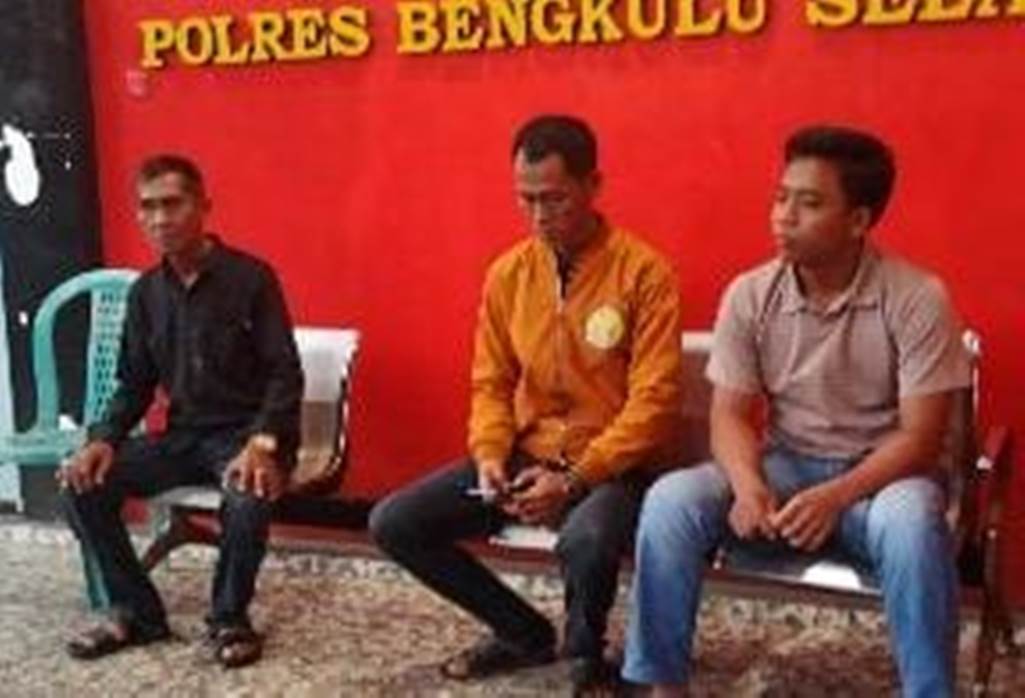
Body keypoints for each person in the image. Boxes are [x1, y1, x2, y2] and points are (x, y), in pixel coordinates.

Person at [622, 125, 970, 698]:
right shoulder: (751, 295)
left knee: (912, 522)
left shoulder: (916, 298)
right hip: (787, 468)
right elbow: (730, 415)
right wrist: (747, 485)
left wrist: (836, 497)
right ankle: (664, 687)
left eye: (809, 203)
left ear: (858, 220)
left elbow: (920, 438)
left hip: (882, 482)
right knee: (672, 499)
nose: (783, 216)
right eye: (781, 197)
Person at [370, 114, 684, 695]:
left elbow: (654, 403)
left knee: (586, 540)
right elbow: (491, 383)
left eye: (554, 199)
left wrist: (575, 477)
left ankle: (585, 656)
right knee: (396, 522)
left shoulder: (645, 273)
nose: (539, 215)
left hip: (613, 467)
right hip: (526, 454)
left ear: (593, 185)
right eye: (526, 199)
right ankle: (523, 634)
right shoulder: (508, 275)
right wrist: (490, 455)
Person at [58, 154, 303, 668]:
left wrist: (263, 443)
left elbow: (285, 375)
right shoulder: (146, 294)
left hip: (249, 438)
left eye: (172, 204)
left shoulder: (251, 279)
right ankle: (138, 614)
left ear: (204, 206)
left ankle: (229, 619)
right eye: (147, 207)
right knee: (82, 486)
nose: (159, 219)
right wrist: (102, 439)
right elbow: (134, 384)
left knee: (247, 496)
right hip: (184, 438)